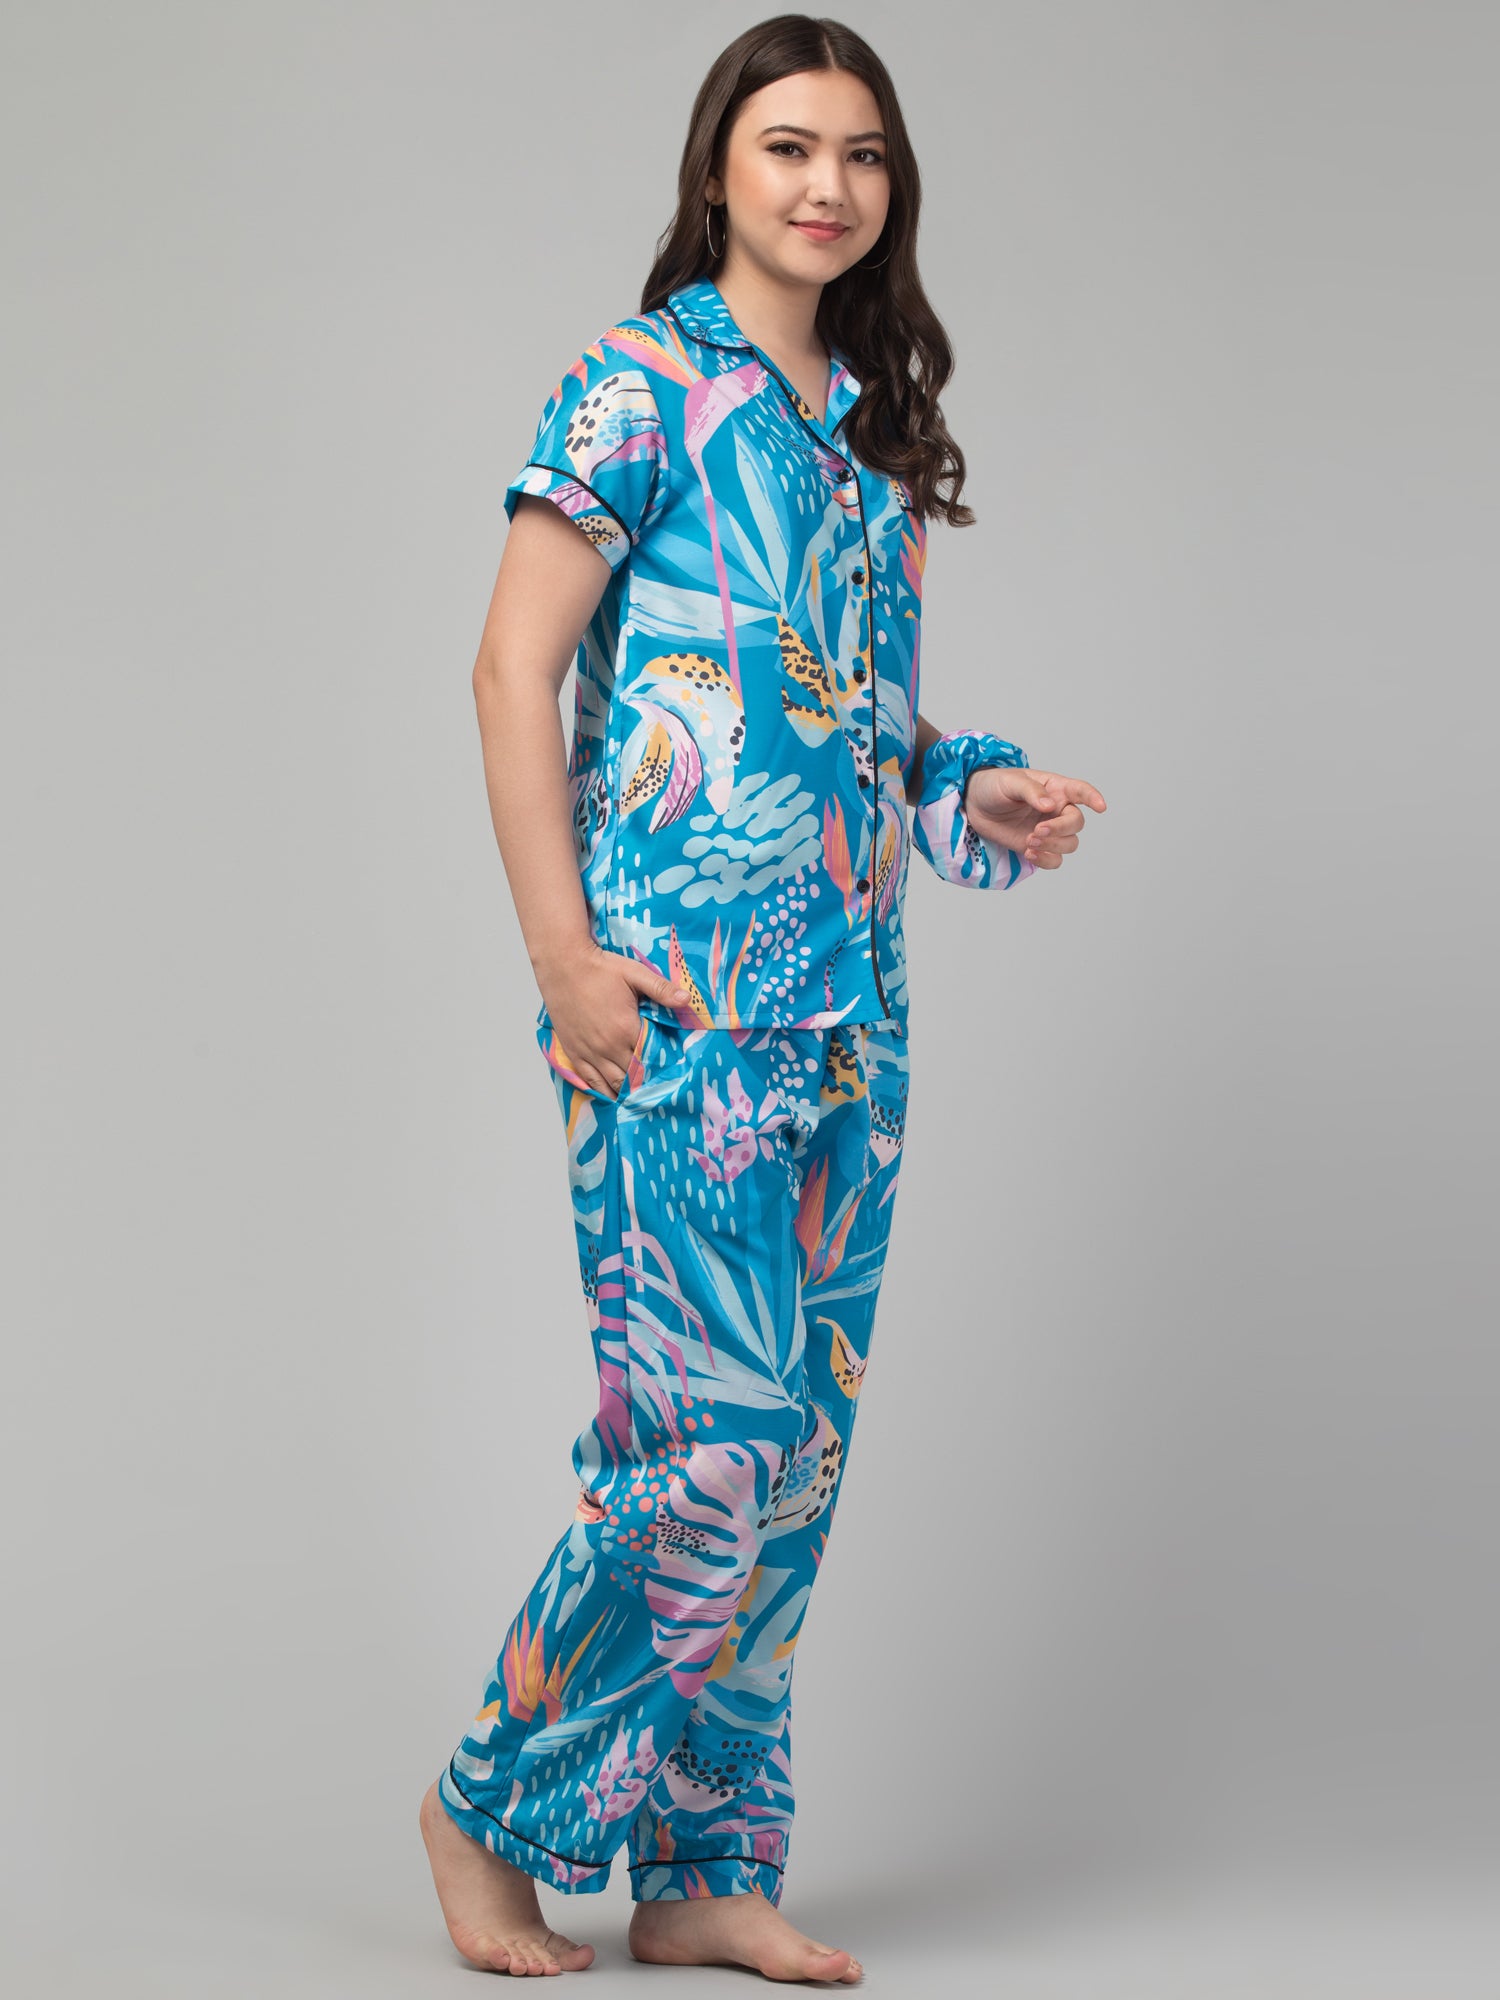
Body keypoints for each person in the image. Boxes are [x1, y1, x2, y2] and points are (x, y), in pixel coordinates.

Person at [420, 14, 1106, 1983]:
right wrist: (563, 957)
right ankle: (487, 1806)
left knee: (789, 1466)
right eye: (790, 144)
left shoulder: (868, 433)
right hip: (673, 1017)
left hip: (850, 1023)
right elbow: (510, 669)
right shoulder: (638, 387)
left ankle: (707, 1865)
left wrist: (970, 787)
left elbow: (854, 730)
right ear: (718, 164)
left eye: (864, 154)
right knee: (699, 1451)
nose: (828, 184)